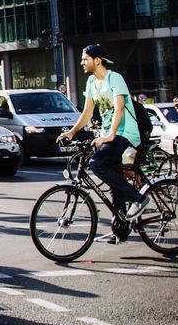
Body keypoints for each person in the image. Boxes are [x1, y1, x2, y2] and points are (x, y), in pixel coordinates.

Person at [58, 45, 145, 240]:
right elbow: (88, 112)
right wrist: (72, 132)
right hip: (109, 134)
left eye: (84, 59)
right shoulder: (91, 82)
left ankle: (138, 198)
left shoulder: (114, 78)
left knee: (97, 164)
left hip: (125, 133)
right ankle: (120, 227)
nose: (82, 63)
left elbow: (120, 109)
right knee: (113, 176)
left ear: (97, 60)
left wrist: (110, 135)